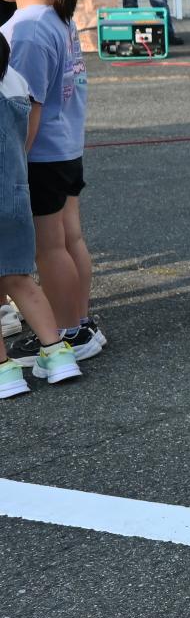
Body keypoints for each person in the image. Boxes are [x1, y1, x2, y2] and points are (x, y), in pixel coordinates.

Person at [0, 0, 101, 369]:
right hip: (66, 146)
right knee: (69, 238)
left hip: (39, 154)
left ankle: (64, 333)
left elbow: (27, 106)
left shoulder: (24, 28)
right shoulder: (56, 16)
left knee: (49, 248)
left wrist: (14, 161)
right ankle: (78, 324)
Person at [0, 34, 81, 397]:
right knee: (21, 281)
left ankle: (5, 372)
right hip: (15, 196)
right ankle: (58, 353)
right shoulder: (15, 83)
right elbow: (26, 138)